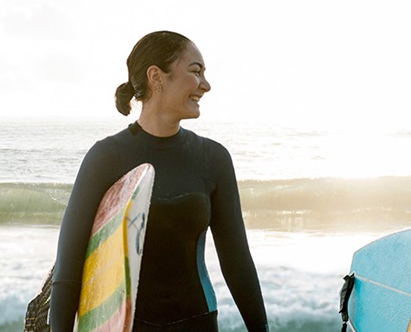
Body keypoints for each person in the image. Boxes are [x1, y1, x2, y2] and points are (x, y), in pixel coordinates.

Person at [48, 31, 268, 331]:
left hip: (198, 323)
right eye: (195, 71)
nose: (206, 85)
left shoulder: (212, 158)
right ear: (156, 77)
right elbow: (68, 267)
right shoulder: (106, 157)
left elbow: (237, 262)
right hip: (125, 326)